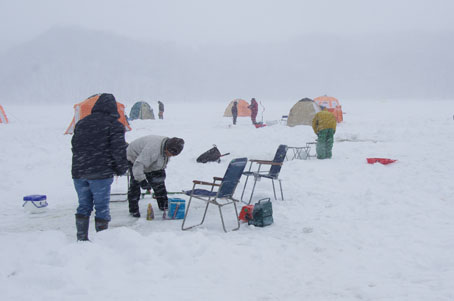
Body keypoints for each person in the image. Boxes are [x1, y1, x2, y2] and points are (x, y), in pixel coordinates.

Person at [71, 93, 129, 241]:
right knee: (101, 207)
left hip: (79, 171)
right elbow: (118, 150)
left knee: (83, 205)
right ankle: (102, 240)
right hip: (100, 173)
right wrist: (121, 168)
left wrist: (83, 162)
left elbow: (75, 146)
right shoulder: (114, 125)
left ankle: (81, 238)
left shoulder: (82, 123)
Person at [126, 135, 184, 217]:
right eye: (170, 154)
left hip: (148, 159)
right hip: (135, 157)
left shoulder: (168, 146)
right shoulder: (152, 149)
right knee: (135, 184)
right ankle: (133, 210)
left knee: (159, 181)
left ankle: (163, 205)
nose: (170, 156)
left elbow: (160, 161)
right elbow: (138, 164)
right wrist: (142, 180)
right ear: (166, 148)